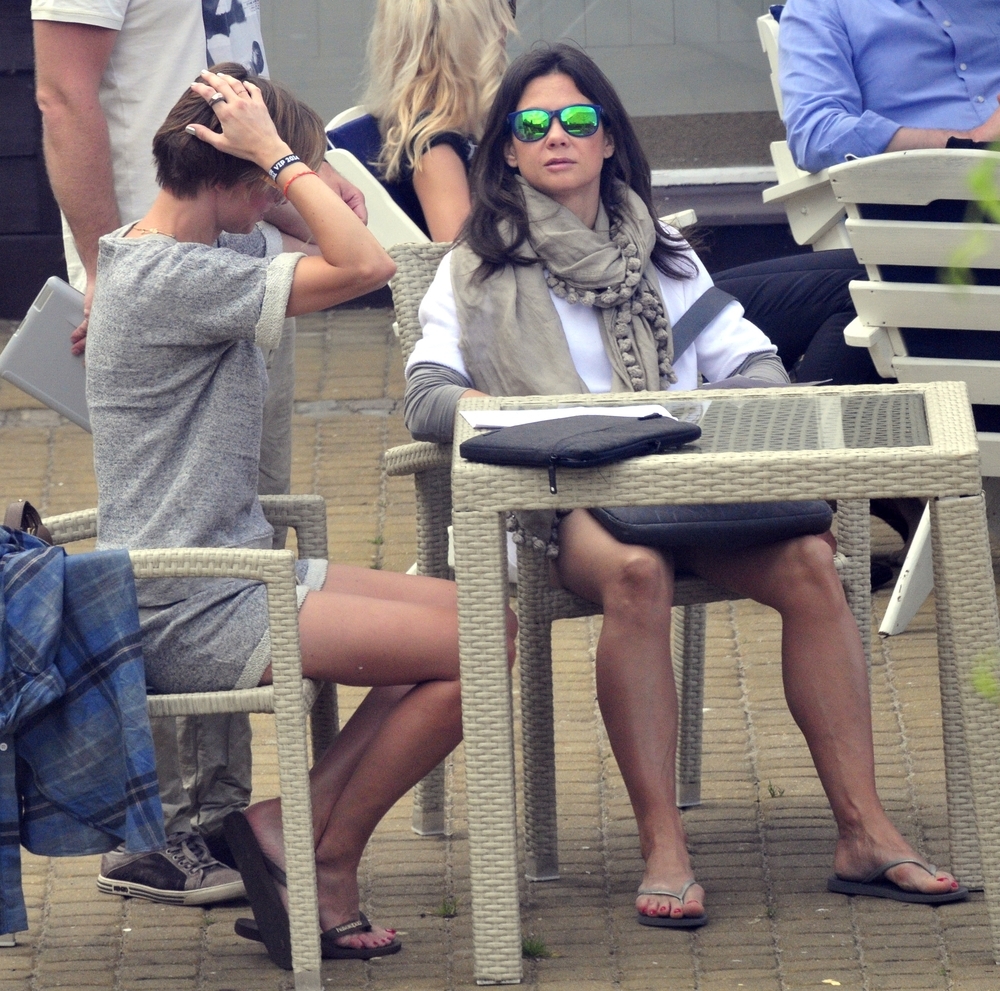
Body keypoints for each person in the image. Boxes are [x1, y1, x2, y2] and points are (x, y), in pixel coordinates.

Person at [403, 43, 968, 928]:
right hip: (562, 501)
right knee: (637, 573)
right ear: (507, 149)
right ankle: (664, 843)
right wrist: (534, 424)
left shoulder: (661, 252)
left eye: (578, 119)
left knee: (811, 560)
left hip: (686, 490)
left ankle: (863, 830)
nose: (557, 136)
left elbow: (751, 358)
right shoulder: (474, 267)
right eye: (533, 123)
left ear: (609, 140)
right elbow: (427, 396)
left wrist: (727, 420)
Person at [87, 64, 510, 965]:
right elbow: (367, 266)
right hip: (190, 601)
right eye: (267, 176)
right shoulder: (173, 275)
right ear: (233, 173)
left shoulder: (190, 248)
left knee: (484, 625)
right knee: (476, 646)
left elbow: (341, 228)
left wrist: (281, 167)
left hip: (233, 570)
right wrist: (281, 159)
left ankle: (289, 825)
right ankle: (327, 856)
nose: (279, 191)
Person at [31, 0, 365, 903]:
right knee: (183, 529)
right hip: (177, 253)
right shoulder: (160, 267)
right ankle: (168, 831)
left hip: (228, 233)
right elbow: (63, 95)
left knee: (236, 515)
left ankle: (228, 819)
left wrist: (299, 172)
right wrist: (106, 273)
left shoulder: (238, 235)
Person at [361, 0, 516, 241]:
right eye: (502, 14)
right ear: (471, 39)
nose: (506, 29)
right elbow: (463, 256)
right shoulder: (435, 149)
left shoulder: (468, 126)